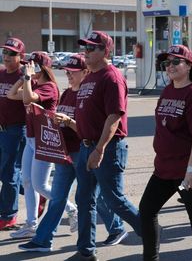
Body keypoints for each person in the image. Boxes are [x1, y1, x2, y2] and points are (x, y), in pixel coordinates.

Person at [18, 54, 128, 252]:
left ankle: (118, 228)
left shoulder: (87, 95)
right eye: (66, 71)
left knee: (98, 199)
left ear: (85, 72)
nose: (68, 74)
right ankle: (43, 240)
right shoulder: (68, 93)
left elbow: (90, 128)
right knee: (59, 197)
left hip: (83, 151)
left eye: (73, 72)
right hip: (65, 152)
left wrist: (68, 122)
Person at [139, 45, 192, 261]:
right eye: (166, 63)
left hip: (187, 173)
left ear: (189, 65)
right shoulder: (169, 90)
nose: (169, 67)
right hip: (164, 170)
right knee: (147, 210)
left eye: (175, 62)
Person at [70, 31, 141, 260]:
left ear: (105, 51)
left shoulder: (111, 77)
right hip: (86, 146)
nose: (86, 52)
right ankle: (85, 251)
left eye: (91, 48)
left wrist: (99, 149)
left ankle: (149, 231)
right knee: (84, 200)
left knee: (113, 200)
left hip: (107, 148)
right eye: (85, 48)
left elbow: (114, 116)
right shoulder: (90, 76)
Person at [7, 52, 76, 239]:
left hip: (45, 140)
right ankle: (31, 224)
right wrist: (24, 78)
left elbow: (28, 99)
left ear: (41, 67)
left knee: (39, 184)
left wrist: (28, 78)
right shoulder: (33, 83)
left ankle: (72, 209)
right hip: (31, 138)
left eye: (30, 65)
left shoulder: (49, 87)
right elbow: (11, 94)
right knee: (27, 182)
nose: (26, 68)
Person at [0, 38, 26, 231]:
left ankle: (8, 216)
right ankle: (34, 190)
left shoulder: (24, 76)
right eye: (5, 52)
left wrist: (26, 78)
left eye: (11, 54)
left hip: (15, 130)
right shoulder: (1, 73)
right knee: (7, 173)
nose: (6, 57)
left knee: (9, 173)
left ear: (21, 57)